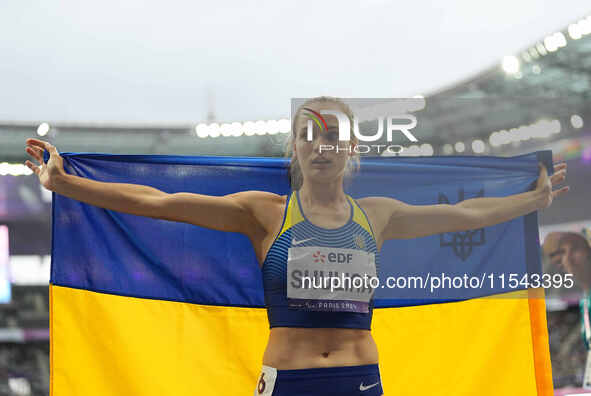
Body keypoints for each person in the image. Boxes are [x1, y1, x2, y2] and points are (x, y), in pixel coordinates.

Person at [25, 96, 568, 396]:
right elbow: (159, 202)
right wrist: (66, 184)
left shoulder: (376, 216)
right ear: (296, 145)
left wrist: (531, 201)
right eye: (309, 134)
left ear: (351, 147)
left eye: (332, 135)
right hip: (288, 382)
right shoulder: (265, 213)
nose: (321, 146)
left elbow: (463, 213)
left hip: (360, 378)